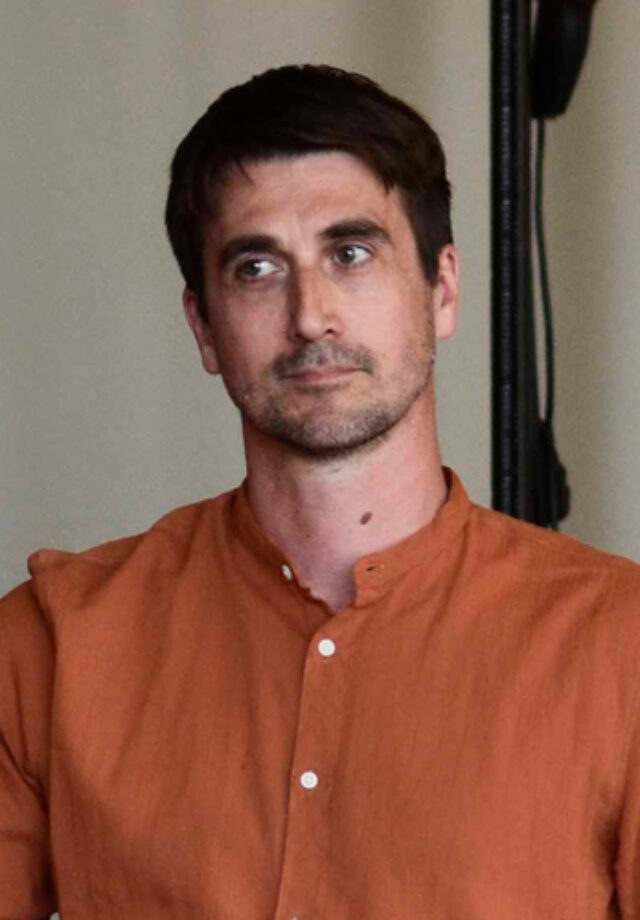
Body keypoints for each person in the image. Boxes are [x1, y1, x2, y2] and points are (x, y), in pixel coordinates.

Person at [1, 64, 639, 920]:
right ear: (204, 327)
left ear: (443, 289)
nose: (311, 315)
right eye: (257, 267)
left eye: (351, 253)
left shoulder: (618, 647)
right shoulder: (54, 645)